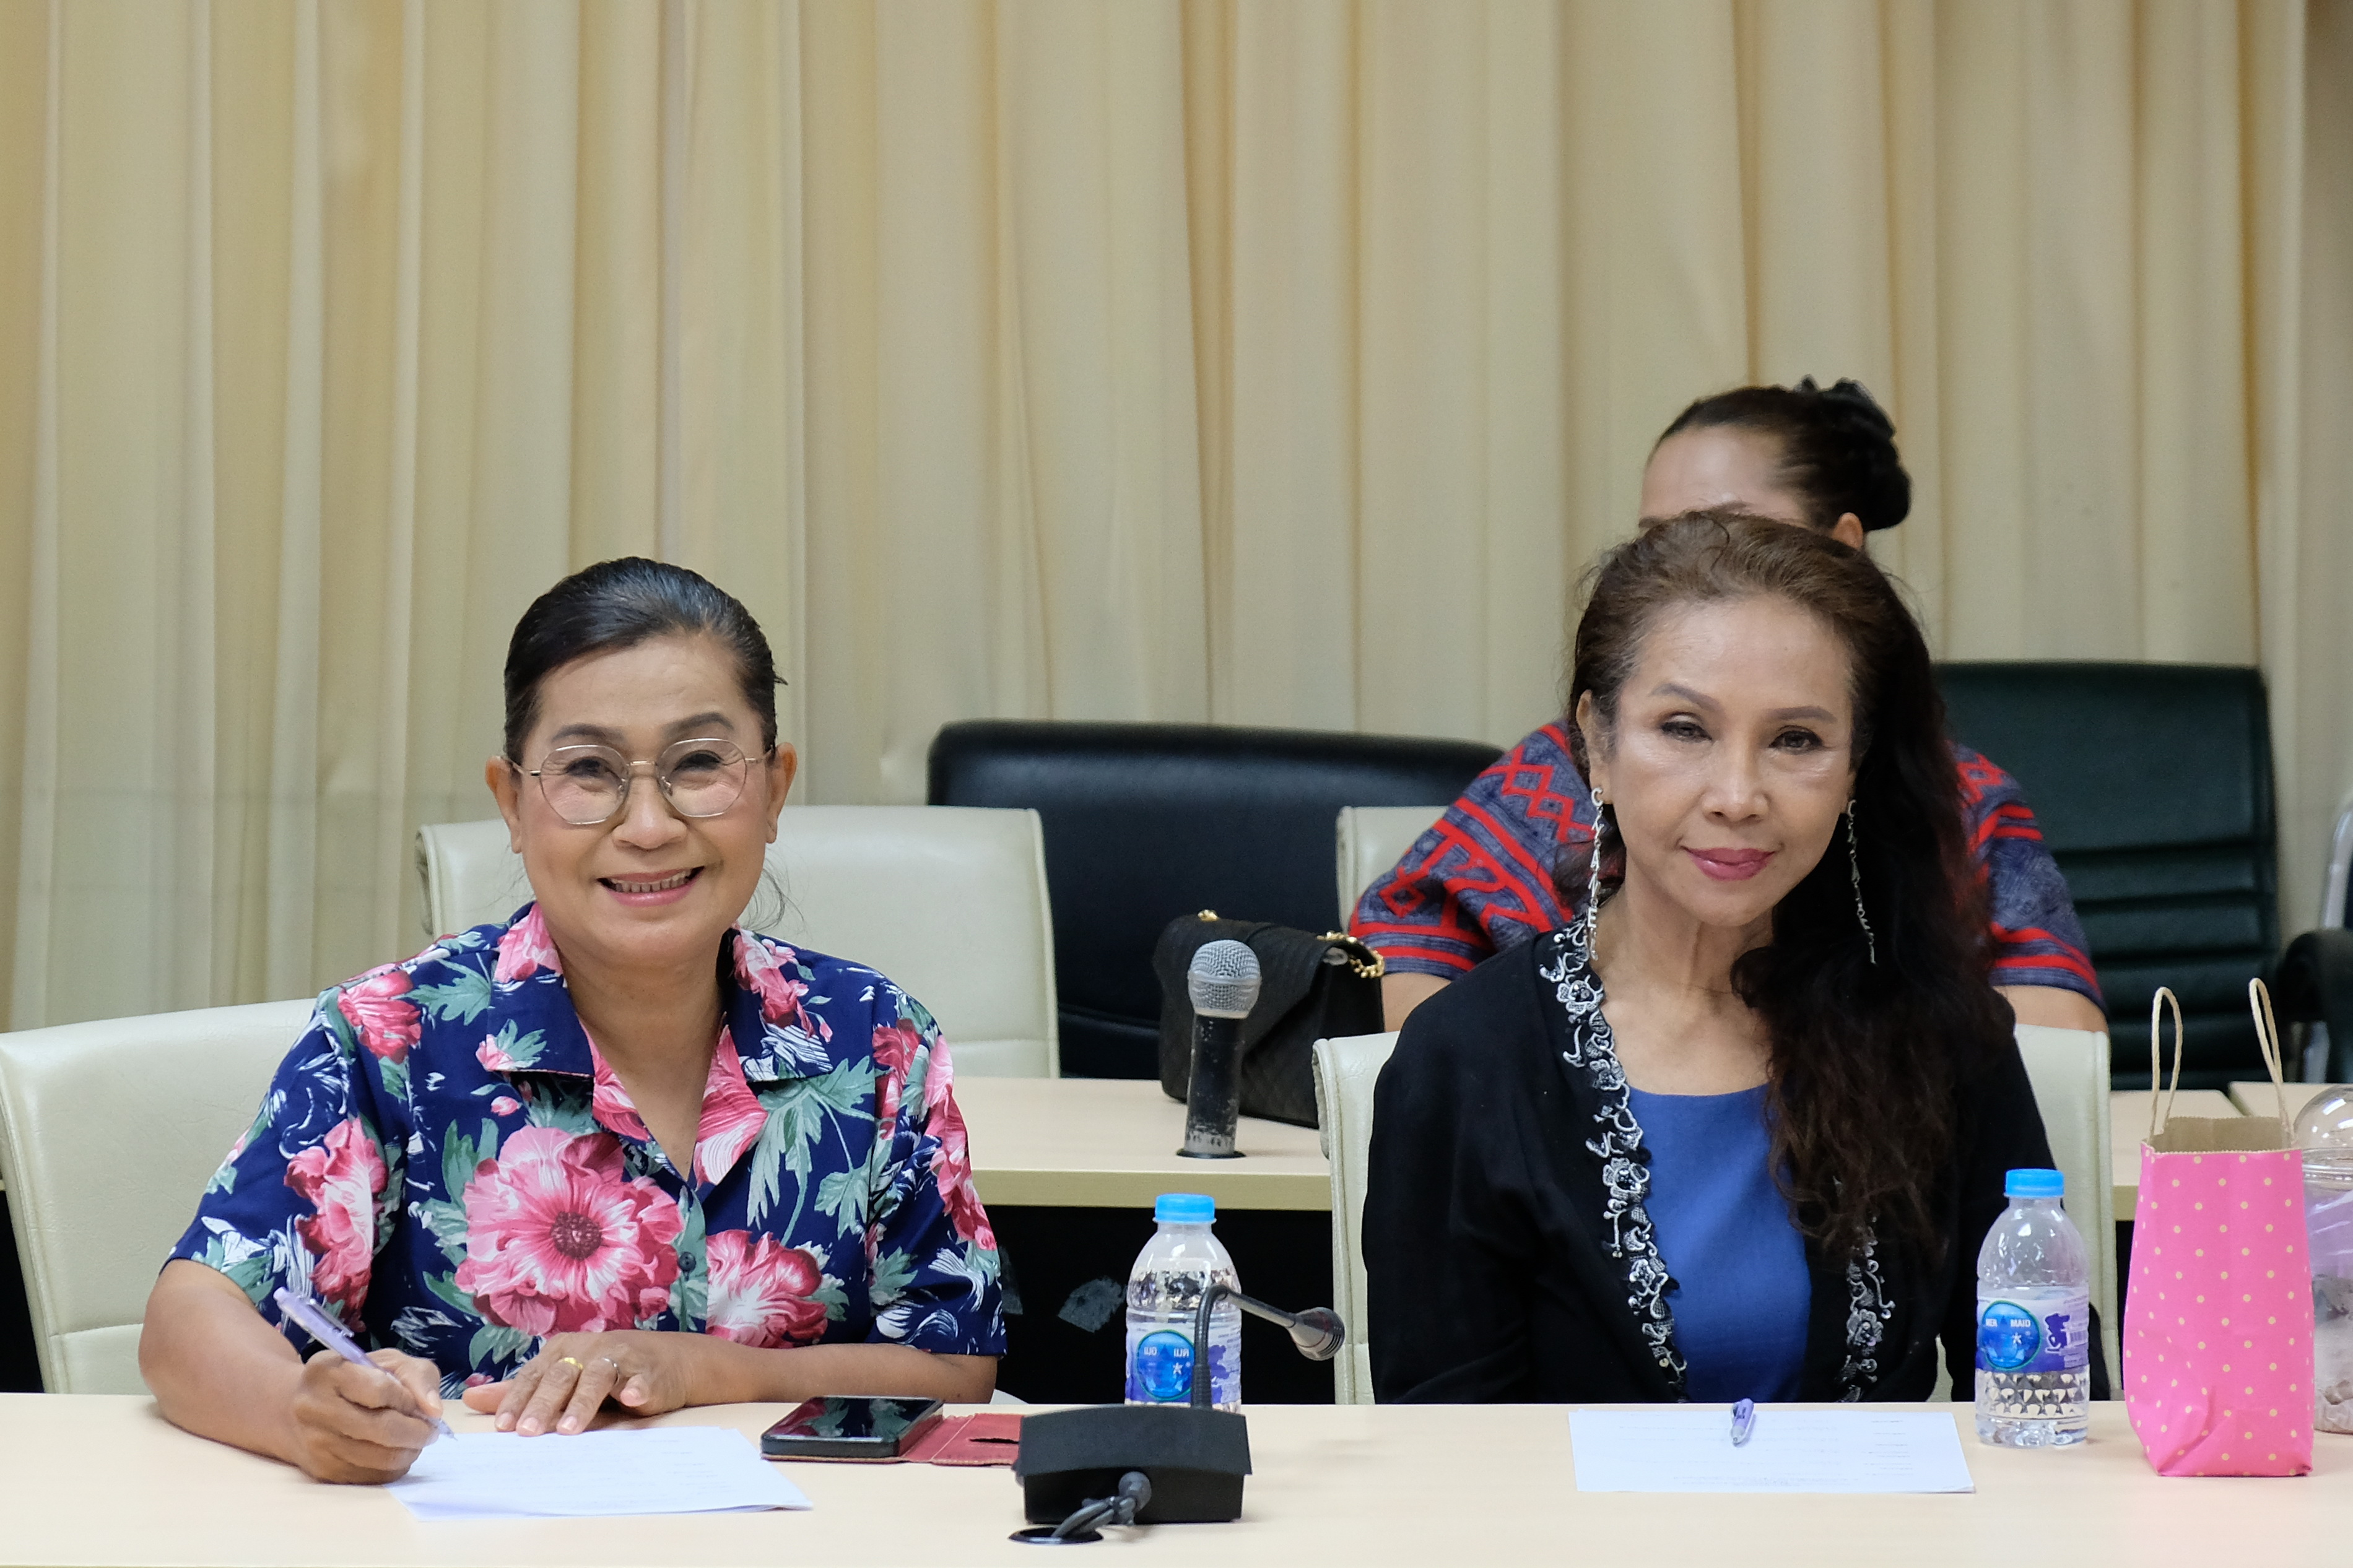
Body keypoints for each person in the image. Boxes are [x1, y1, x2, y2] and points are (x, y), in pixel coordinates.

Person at [139, 559, 1003, 1483]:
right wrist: (301, 1415)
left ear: (776, 789)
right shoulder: (393, 1035)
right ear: (512, 802)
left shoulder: (874, 1038)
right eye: (588, 770)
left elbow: (955, 1363)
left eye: (700, 764)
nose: (647, 825)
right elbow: (189, 1318)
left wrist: (709, 1369)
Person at [1364, 514, 2089, 1403]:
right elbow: (1445, 1455)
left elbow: (2047, 1403)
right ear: (1596, 742)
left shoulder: (1938, 1033)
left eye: (1796, 740)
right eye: (1683, 728)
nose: (1739, 797)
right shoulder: (1464, 1057)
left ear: (1854, 766)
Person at [1352, 379, 2105, 1035]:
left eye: (1797, 741)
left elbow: (2059, 1033)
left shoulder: (1958, 798)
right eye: (1659, 540)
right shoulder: (1555, 769)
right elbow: (1407, 954)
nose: (1735, 797)